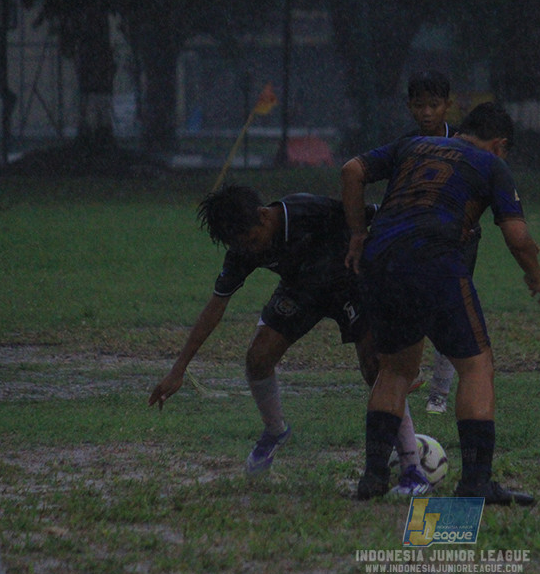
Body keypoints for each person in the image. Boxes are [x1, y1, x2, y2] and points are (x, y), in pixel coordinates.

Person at [147, 185, 430, 495]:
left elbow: (374, 214)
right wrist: (179, 368)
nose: (251, 250)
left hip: (353, 285)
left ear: (264, 215)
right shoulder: (243, 248)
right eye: (243, 246)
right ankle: (274, 432)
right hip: (302, 292)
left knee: (377, 370)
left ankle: (413, 469)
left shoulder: (308, 210)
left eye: (254, 241)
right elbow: (216, 306)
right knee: (258, 358)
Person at [342, 101, 540, 505]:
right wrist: (535, 275)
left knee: (396, 369)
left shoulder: (415, 145)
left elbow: (351, 170)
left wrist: (355, 234)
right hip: (433, 258)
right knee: (476, 365)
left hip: (380, 259)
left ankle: (372, 478)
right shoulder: (492, 165)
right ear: (500, 144)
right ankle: (476, 482)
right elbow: (518, 237)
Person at [402, 70, 471, 415]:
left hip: (458, 242)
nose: (426, 112)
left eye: (433, 105)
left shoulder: (464, 146)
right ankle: (408, 374)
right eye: (419, 106)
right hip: (417, 243)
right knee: (413, 308)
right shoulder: (406, 147)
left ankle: (439, 394)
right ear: (410, 108)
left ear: (448, 105)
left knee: (447, 312)